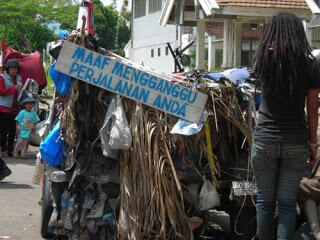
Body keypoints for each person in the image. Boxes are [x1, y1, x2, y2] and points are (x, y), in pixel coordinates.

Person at [251, 13, 320, 240]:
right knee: (288, 204)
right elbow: (312, 110)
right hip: (295, 141)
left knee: (265, 201)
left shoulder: (264, 60)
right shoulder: (311, 65)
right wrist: (312, 144)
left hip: (265, 140)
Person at [0, 59, 22, 157]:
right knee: (3, 130)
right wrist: (14, 88)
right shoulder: (2, 78)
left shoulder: (19, 79)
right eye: (12, 68)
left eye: (15, 68)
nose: (14, 70)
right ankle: (4, 149)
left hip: (15, 108)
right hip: (4, 108)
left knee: (13, 130)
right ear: (8, 69)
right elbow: (1, 92)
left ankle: (10, 149)